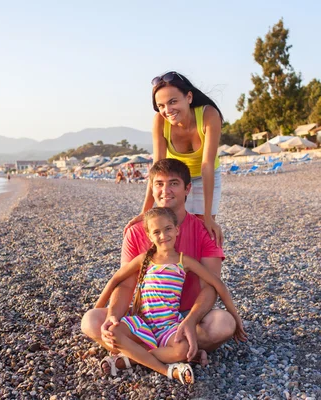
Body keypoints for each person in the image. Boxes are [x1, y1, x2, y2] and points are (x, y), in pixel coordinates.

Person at [81, 159, 238, 375]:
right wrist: (113, 317)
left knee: (223, 324)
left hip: (184, 316)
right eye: (159, 184)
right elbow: (125, 285)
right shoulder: (136, 231)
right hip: (144, 315)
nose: (166, 190)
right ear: (152, 188)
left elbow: (210, 286)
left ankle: (133, 355)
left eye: (173, 183)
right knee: (91, 321)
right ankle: (181, 353)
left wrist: (191, 321)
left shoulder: (205, 230)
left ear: (187, 189)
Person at [94, 207, 246, 384]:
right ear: (150, 236)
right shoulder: (145, 259)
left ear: (177, 230)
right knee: (113, 332)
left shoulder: (184, 261)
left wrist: (236, 318)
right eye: (156, 232)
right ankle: (167, 370)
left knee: (182, 350)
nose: (163, 235)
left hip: (169, 325)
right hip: (142, 322)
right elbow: (116, 279)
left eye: (167, 229)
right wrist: (100, 308)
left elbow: (218, 285)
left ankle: (134, 358)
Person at [124, 71, 224, 247]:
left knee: (202, 228)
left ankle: (201, 270)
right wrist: (145, 210)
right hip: (174, 179)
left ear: (189, 97)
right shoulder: (160, 122)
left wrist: (208, 217)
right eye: (161, 105)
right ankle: (173, 270)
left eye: (173, 102)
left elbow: (207, 165)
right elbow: (157, 167)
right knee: (170, 226)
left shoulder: (209, 115)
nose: (167, 110)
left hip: (206, 176)